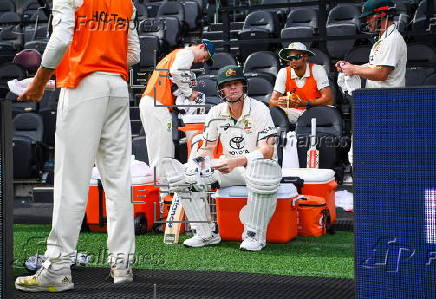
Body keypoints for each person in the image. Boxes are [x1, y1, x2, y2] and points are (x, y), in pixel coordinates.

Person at [15, 0, 140, 292]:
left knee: (70, 181)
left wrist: (38, 82)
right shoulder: (127, 3)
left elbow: (60, 41)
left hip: (83, 87)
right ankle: (122, 265)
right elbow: (132, 54)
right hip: (117, 87)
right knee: (118, 181)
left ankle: (57, 269)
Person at [159, 65, 282, 251]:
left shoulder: (260, 110)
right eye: (227, 85)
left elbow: (267, 151)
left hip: (258, 167)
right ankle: (205, 233)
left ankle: (254, 236)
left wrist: (236, 162)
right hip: (229, 167)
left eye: (236, 84)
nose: (232, 88)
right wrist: (198, 165)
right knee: (187, 177)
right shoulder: (215, 112)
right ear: (221, 90)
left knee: (260, 173)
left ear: (244, 87)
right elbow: (207, 149)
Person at [139, 39, 215, 173]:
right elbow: (176, 71)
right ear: (201, 46)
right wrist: (189, 92)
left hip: (152, 102)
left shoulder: (176, 54)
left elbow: (174, 77)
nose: (203, 61)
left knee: (158, 148)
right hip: (157, 104)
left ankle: (160, 186)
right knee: (163, 150)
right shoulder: (186, 54)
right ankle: (162, 189)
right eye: (205, 56)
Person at [335, 0, 407, 88]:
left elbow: (381, 74)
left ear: (382, 15)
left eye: (369, 17)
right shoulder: (384, 38)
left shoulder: (392, 39)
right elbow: (374, 67)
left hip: (389, 98)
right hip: (378, 97)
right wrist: (349, 67)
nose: (367, 21)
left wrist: (354, 69)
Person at [269, 42, 333, 124]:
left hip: (316, 110)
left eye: (297, 57)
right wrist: (285, 102)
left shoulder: (317, 69)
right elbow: (272, 101)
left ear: (306, 57)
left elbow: (328, 98)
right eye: (290, 58)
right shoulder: (283, 72)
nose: (293, 60)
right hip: (294, 112)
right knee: (270, 112)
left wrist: (305, 103)